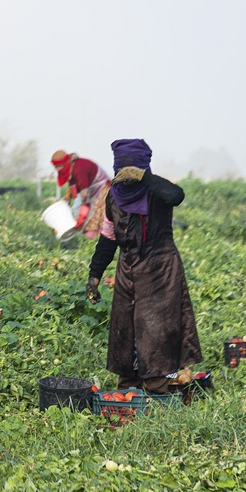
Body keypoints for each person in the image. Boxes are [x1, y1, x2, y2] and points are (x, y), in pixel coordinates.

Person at [86, 139, 202, 394]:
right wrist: (94, 275)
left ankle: (156, 390)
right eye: (122, 172)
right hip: (128, 270)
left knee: (156, 330)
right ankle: (128, 388)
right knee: (124, 329)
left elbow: (176, 195)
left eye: (132, 172)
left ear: (142, 169)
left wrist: (145, 178)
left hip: (160, 269)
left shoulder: (156, 192)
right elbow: (108, 237)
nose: (126, 179)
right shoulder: (113, 197)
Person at [51, 150, 111, 238]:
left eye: (59, 166)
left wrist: (81, 217)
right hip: (91, 192)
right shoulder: (71, 168)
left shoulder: (79, 169)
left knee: (95, 221)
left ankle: (95, 242)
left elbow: (85, 198)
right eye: (56, 167)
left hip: (102, 191)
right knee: (83, 217)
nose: (57, 169)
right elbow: (73, 187)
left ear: (65, 163)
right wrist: (66, 200)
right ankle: (88, 241)